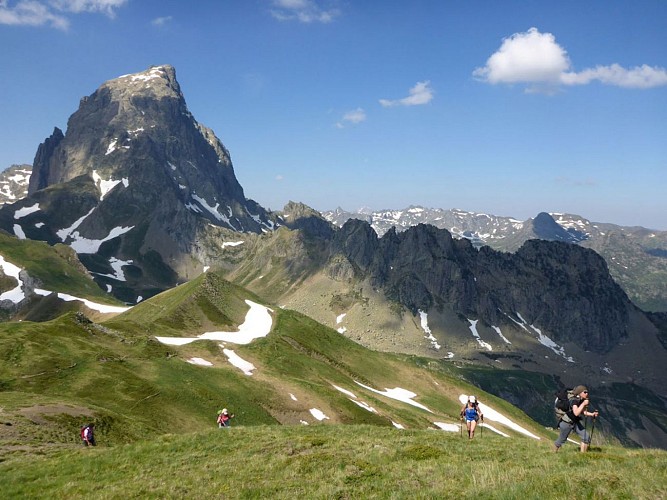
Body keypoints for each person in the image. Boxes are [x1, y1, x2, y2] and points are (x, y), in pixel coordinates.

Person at [554, 385, 599, 452]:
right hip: (566, 422)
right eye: (585, 392)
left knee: (586, 437)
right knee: (561, 440)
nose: (587, 394)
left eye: (587, 392)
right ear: (580, 392)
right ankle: (553, 452)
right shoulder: (574, 401)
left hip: (574, 421)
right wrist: (583, 404)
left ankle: (583, 455)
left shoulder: (580, 400)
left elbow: (582, 411)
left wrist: (592, 414)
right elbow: (576, 413)